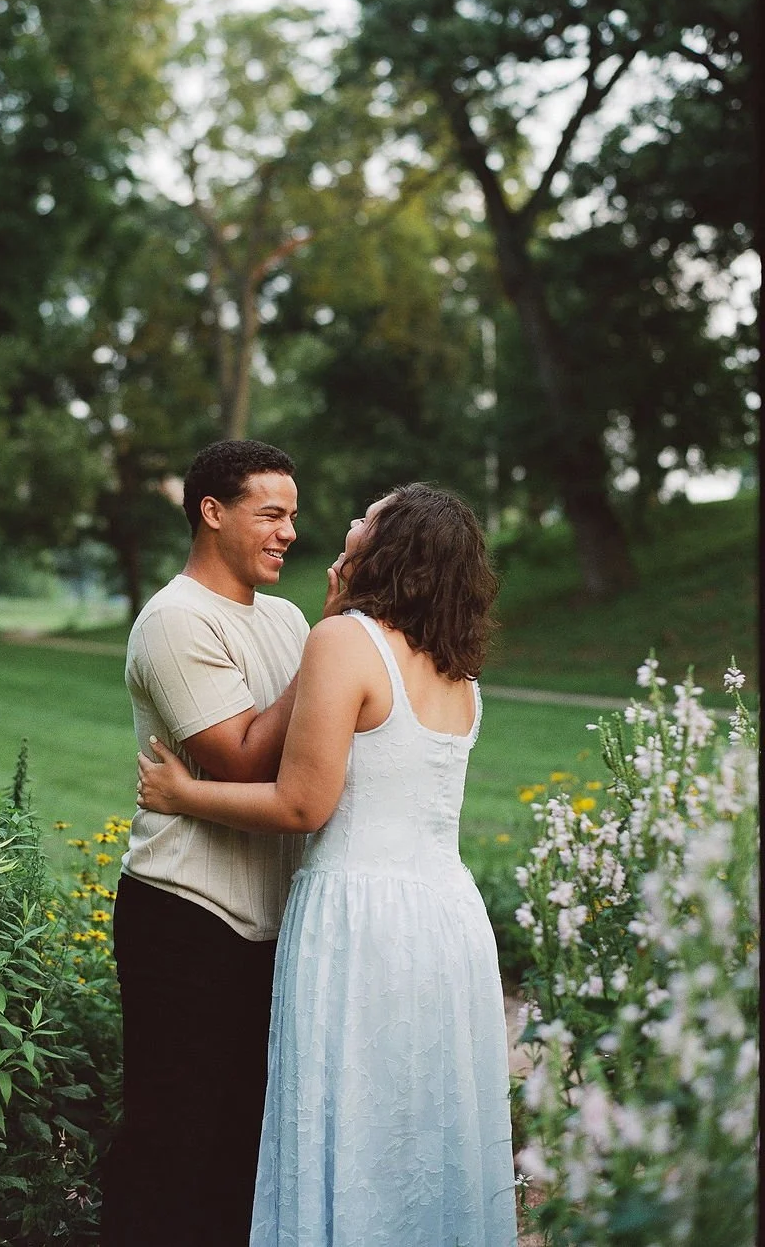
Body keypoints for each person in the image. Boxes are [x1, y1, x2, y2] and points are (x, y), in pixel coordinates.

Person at [137, 483, 518, 1247]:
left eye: (370, 515)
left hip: (360, 917)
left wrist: (183, 796)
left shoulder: (346, 640)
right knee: (421, 1128)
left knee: (352, 1121)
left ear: (393, 547)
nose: (350, 521)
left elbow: (304, 805)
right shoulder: (458, 671)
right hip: (447, 920)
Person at [101, 439, 329, 1247]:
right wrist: (329, 644)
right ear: (213, 512)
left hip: (271, 923)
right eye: (271, 514)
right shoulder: (174, 621)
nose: (288, 533)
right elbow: (240, 759)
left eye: (293, 517)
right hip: (186, 917)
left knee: (245, 1140)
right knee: (173, 1139)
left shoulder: (289, 619)